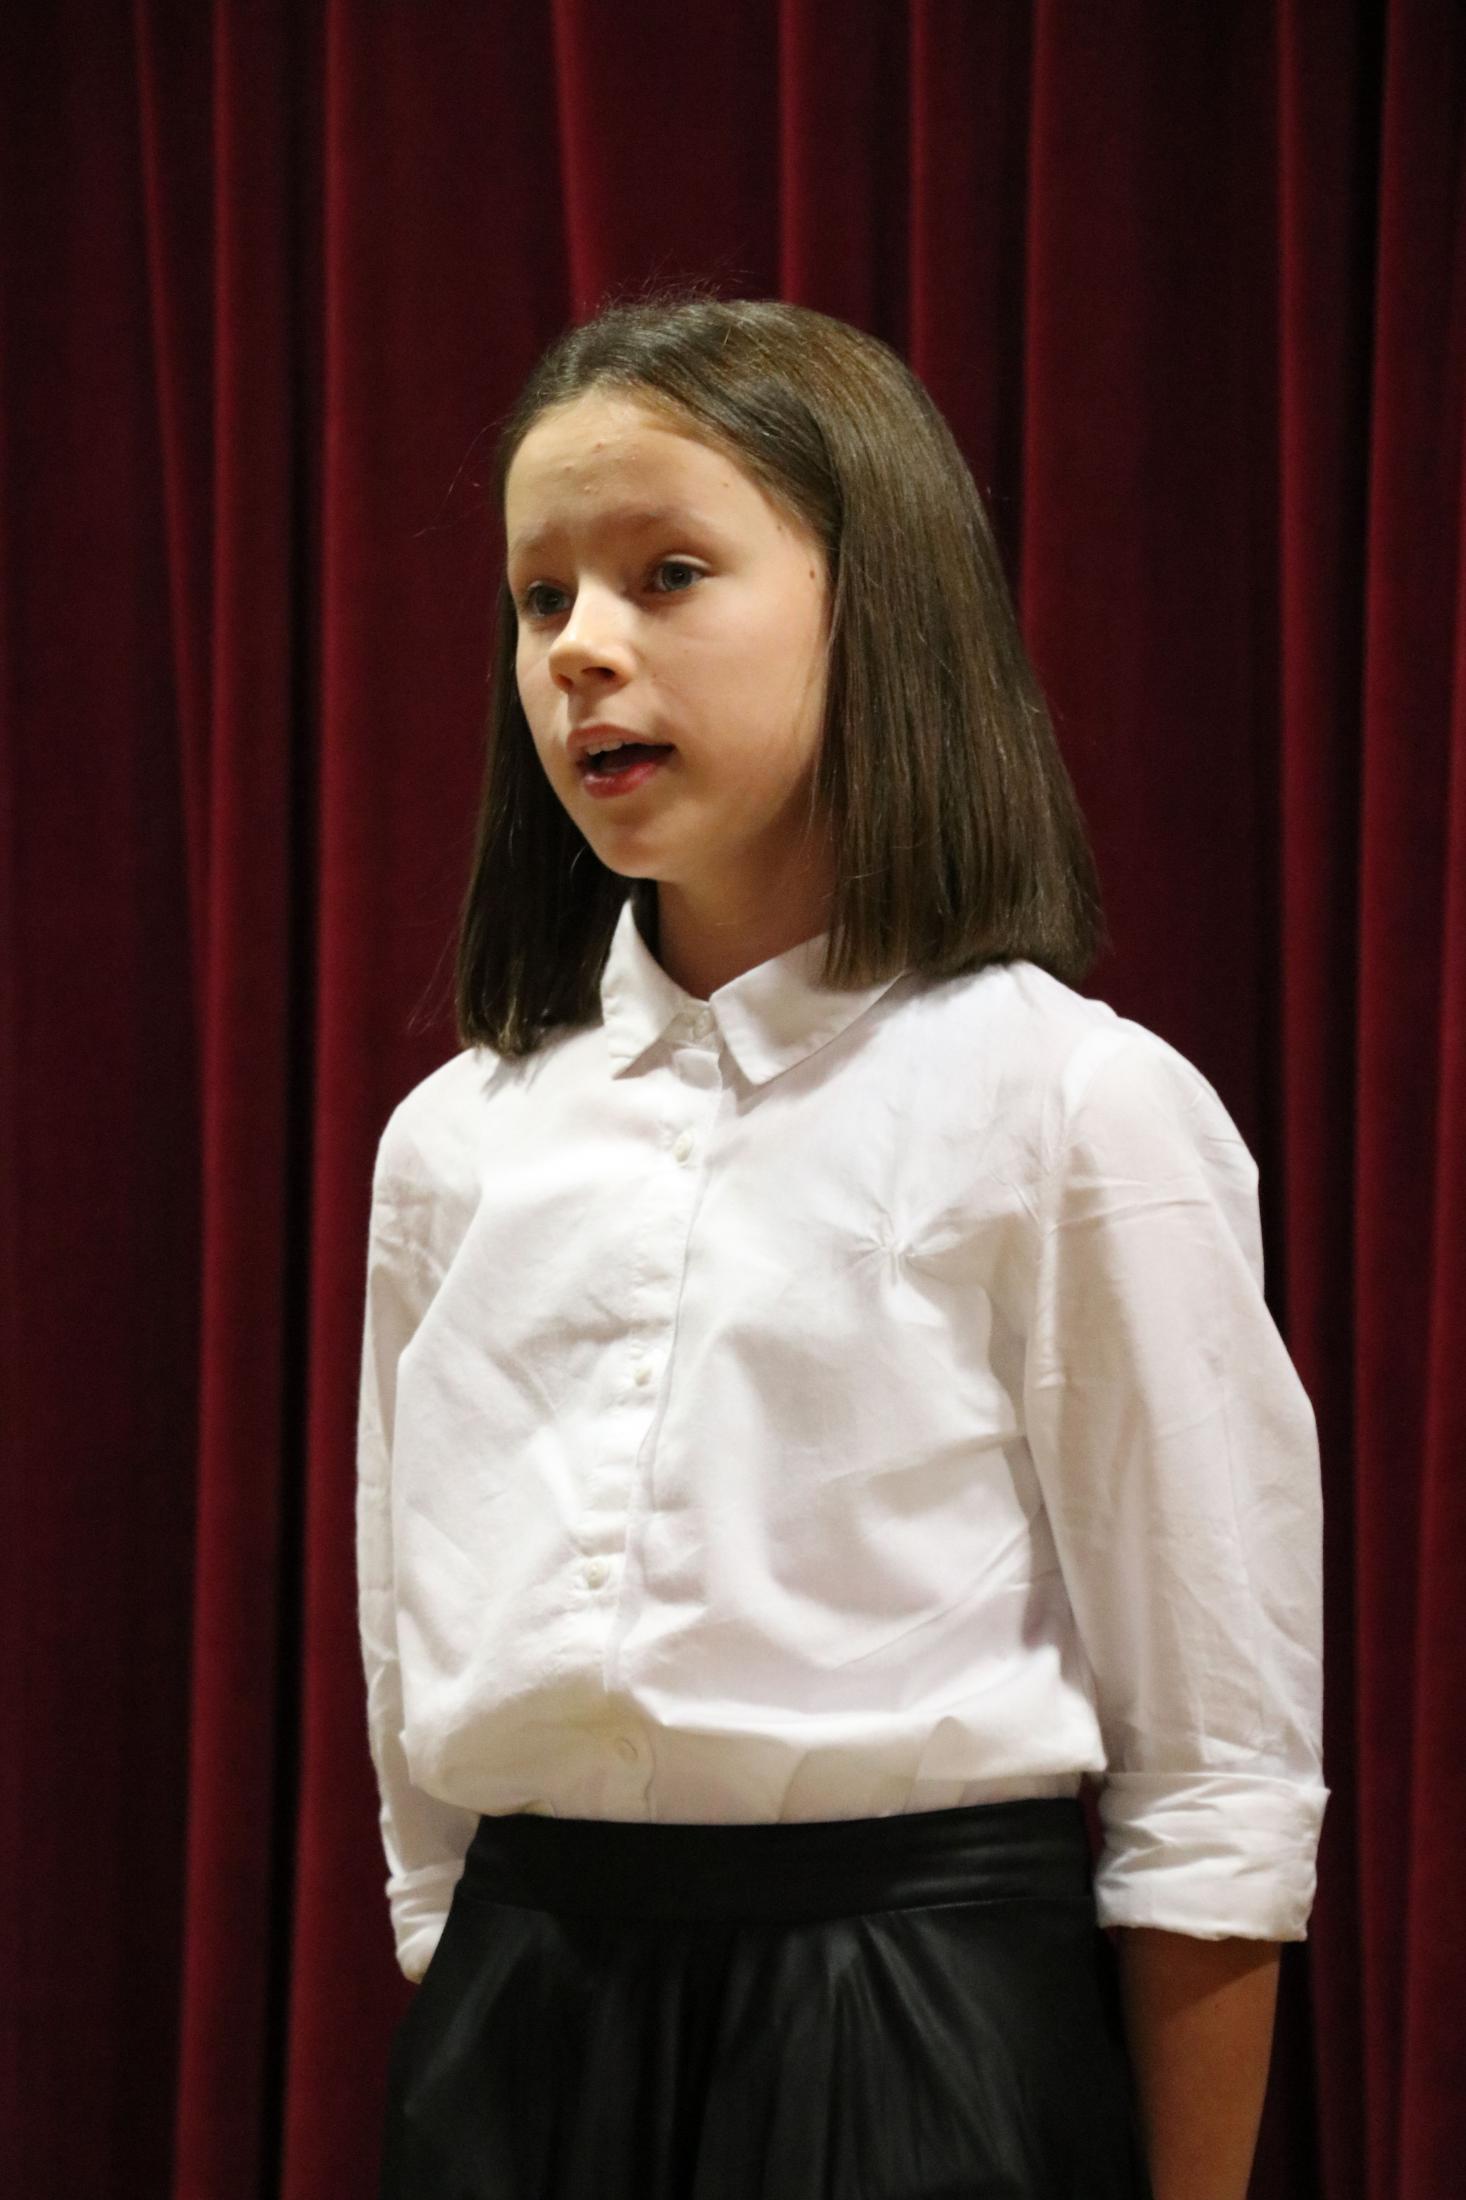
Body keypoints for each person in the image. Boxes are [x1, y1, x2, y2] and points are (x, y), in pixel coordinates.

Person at [356, 289, 1329, 2200]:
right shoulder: (456, 1143)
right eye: (540, 599)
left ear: (870, 605)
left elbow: (1214, 1773)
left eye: (668, 574)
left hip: (912, 2029)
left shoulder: (1072, 1104)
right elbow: (417, 1683)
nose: (582, 648)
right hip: (524, 2014)